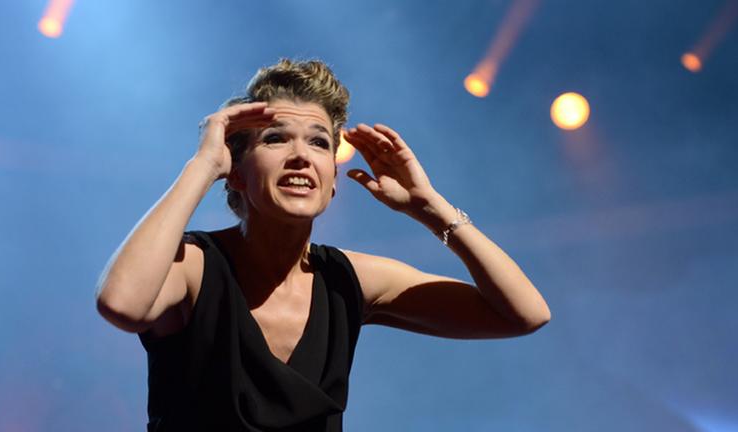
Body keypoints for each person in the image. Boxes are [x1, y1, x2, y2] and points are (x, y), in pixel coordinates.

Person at [95, 58, 551, 431]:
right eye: (276, 139)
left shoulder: (349, 279)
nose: (300, 155)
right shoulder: (194, 265)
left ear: (332, 180)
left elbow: (524, 314)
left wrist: (429, 207)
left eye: (318, 143)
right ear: (235, 170)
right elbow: (122, 304)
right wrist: (201, 165)